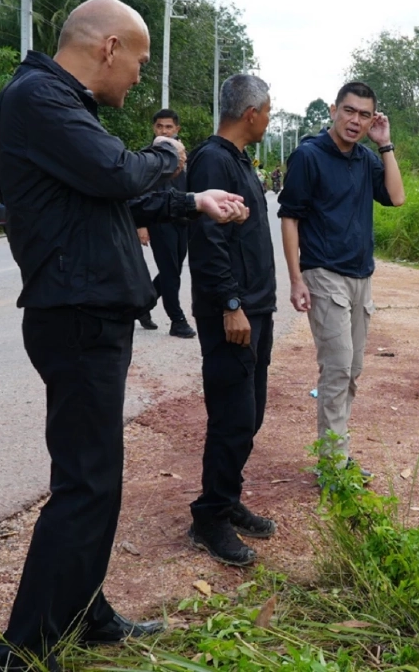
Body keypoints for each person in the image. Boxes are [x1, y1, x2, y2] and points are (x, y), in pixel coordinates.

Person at [0, 0, 248, 672]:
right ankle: (22, 651)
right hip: (75, 314)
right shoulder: (41, 98)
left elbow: (116, 197)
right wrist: (165, 155)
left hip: (87, 311)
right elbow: (118, 173)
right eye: (139, 60)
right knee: (85, 483)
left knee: (98, 478)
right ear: (108, 48)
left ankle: (84, 610)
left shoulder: (52, 103)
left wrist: (193, 202)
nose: (138, 76)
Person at [278, 81, 406, 475]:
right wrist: (296, 279)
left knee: (352, 370)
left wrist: (385, 145)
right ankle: (333, 466)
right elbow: (289, 217)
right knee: (336, 367)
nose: (355, 121)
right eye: (349, 111)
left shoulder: (367, 159)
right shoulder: (309, 155)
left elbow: (397, 198)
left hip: (360, 277)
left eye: (365, 115)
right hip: (323, 273)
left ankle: (339, 454)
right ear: (333, 110)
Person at [186, 74, 279, 567]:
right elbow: (207, 241)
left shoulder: (239, 160)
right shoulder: (213, 160)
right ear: (250, 114)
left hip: (256, 308)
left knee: (250, 414)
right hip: (233, 313)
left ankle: (226, 497)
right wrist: (230, 304)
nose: (269, 117)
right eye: (268, 109)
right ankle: (209, 518)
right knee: (232, 416)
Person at [135, 109, 197, 337]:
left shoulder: (182, 156)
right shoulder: (149, 157)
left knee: (173, 271)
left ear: (177, 130)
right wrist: (141, 225)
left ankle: (143, 307)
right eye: (160, 126)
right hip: (159, 221)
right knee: (170, 272)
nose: (164, 131)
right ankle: (177, 320)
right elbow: (139, 192)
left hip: (182, 221)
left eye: (169, 127)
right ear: (154, 128)